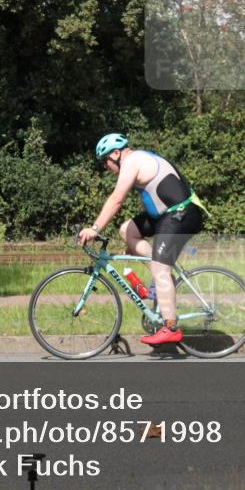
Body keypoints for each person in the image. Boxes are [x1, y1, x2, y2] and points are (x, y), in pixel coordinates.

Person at [77, 133, 207, 345]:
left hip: (181, 213)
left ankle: (171, 327)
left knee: (160, 267)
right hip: (167, 214)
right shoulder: (136, 160)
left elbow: (116, 200)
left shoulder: (132, 161)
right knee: (127, 231)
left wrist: (95, 228)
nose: (106, 167)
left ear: (117, 154)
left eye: (106, 162)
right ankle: (162, 281)